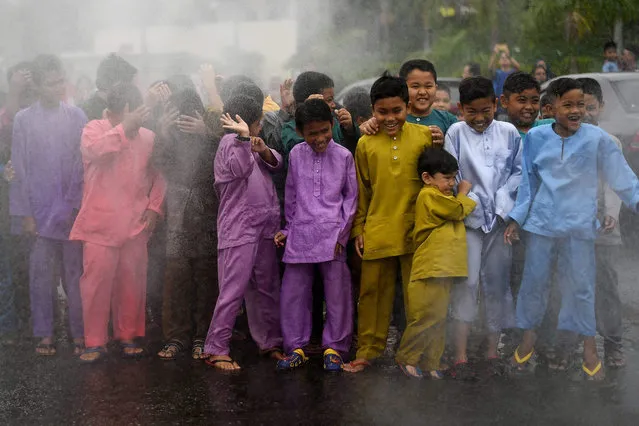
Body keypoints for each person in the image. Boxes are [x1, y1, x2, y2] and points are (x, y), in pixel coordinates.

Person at [504, 78, 639, 381]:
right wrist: (515, 218)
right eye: (569, 105)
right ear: (550, 108)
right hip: (541, 225)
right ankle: (528, 340)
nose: (577, 110)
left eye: (580, 104)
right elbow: (529, 184)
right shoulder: (535, 138)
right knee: (534, 284)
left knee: (581, 288)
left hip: (579, 227)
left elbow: (624, 180)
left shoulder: (598, 140)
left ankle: (590, 351)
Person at [342, 73, 433, 373]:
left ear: (407, 107)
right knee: (372, 295)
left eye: (397, 111)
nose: (390, 118)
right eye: (382, 112)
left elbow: (433, 185)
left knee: (417, 297)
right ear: (372, 110)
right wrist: (358, 229)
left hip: (415, 230)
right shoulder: (365, 144)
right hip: (378, 230)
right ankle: (367, 351)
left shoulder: (424, 138)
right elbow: (361, 191)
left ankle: (413, 354)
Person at [70, 83, 166, 363]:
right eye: (127, 115)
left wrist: (154, 208)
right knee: (96, 285)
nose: (137, 123)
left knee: (132, 281)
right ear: (112, 112)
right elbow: (97, 151)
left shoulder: (149, 137)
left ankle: (128, 335)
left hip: (135, 224)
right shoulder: (94, 129)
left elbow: (160, 175)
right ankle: (95, 342)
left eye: (139, 116)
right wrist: (125, 127)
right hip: (99, 224)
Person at [9, 55, 87, 356]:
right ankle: (45, 333)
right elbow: (20, 167)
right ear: (39, 86)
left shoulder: (77, 116)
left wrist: (75, 205)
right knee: (41, 277)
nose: (58, 87)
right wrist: (25, 213)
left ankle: (79, 332)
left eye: (60, 80)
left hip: (70, 212)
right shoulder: (23, 120)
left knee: (75, 276)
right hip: (39, 213)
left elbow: (82, 166)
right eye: (51, 82)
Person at [444, 77, 522, 379]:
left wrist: (504, 208)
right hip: (469, 221)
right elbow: (453, 175)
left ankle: (492, 350)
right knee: (468, 282)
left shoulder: (509, 132)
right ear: (460, 108)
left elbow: (517, 174)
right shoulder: (455, 132)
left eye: (485, 111)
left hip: (501, 221)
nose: (479, 118)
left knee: (498, 283)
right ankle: (461, 355)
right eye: (472, 112)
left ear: (496, 104)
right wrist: (474, 204)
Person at [274, 99, 358, 372]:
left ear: (332, 126)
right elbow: (292, 194)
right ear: (300, 132)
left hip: (333, 234)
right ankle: (295, 346)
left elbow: (351, 199)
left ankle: (335, 347)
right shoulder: (296, 154)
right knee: (293, 292)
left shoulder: (344, 155)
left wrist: (342, 236)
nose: (320, 138)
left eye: (324, 131)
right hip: (301, 231)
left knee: (337, 293)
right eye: (312, 133)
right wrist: (287, 228)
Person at [203, 95, 284, 371]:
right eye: (258, 124)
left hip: (263, 226)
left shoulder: (252, 143)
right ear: (245, 124)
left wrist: (261, 149)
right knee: (233, 289)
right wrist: (242, 140)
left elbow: (276, 163)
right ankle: (216, 347)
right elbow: (240, 169)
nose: (260, 129)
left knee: (266, 287)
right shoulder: (229, 144)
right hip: (239, 228)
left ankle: (270, 341)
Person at [154, 88, 223, 361]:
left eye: (188, 115)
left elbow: (219, 164)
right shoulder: (169, 137)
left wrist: (205, 133)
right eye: (177, 115)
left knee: (206, 278)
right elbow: (161, 164)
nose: (183, 121)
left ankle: (202, 336)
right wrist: (163, 131)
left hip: (206, 214)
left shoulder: (209, 136)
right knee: (176, 278)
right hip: (177, 218)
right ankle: (176, 337)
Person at [394, 148, 476, 379]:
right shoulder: (429, 195)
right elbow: (458, 210)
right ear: (427, 178)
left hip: (442, 268)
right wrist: (464, 193)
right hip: (431, 267)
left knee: (439, 317)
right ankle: (407, 358)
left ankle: (431, 362)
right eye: (447, 178)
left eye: (454, 178)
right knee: (426, 317)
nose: (452, 183)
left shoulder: (439, 194)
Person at [577, 77, 625, 368]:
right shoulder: (562, 140)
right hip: (571, 228)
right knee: (571, 286)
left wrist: (611, 212)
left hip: (605, 229)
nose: (584, 113)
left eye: (591, 107)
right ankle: (570, 346)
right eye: (578, 107)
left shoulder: (611, 142)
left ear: (601, 107)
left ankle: (614, 344)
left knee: (606, 287)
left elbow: (615, 182)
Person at [0, 61, 36, 343]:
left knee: (32, 264)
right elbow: (8, 126)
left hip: (36, 197)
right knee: (10, 265)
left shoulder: (40, 107)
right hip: (7, 201)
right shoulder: (8, 111)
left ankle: (33, 320)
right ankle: (11, 324)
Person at [359, 60, 457, 145]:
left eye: (428, 86)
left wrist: (444, 142)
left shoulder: (449, 121)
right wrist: (367, 128)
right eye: (415, 86)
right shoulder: (388, 120)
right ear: (402, 87)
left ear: (436, 88)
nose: (422, 92)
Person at [281, 71, 359, 155]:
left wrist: (350, 130)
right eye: (329, 100)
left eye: (325, 130)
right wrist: (309, 111)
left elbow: (351, 152)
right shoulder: (290, 129)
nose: (333, 105)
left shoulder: (335, 122)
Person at [82, 53, 138, 121]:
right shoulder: (84, 114)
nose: (131, 91)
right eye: (128, 85)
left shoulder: (122, 107)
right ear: (116, 84)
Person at [500, 72, 554, 140]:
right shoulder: (499, 136)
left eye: (535, 101)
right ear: (504, 101)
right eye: (522, 100)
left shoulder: (552, 127)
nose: (529, 107)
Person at [488, 44, 520, 117]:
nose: (504, 59)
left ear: (510, 61)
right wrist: (495, 53)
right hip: (498, 102)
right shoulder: (497, 72)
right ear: (499, 61)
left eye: (506, 58)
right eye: (502, 58)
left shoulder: (512, 72)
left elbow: (518, 66)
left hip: (511, 101)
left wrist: (508, 54)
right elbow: (490, 67)